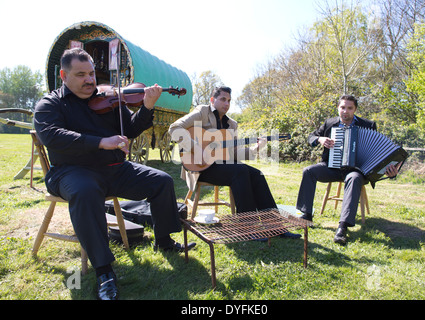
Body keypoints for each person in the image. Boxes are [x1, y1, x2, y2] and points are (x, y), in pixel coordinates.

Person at [33, 48, 195, 300]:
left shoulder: (108, 98)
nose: (89, 80)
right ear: (64, 75)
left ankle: (163, 239)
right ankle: (104, 271)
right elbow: (51, 135)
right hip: (71, 172)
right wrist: (101, 141)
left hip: (113, 170)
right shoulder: (50, 104)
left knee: (161, 181)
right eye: (81, 75)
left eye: (91, 74)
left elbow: (130, 128)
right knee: (85, 192)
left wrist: (147, 107)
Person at [168, 86, 300, 240]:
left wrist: (256, 148)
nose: (227, 103)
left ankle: (276, 226)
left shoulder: (232, 124)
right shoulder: (202, 112)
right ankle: (248, 229)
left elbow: (234, 153)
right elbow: (175, 128)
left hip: (224, 166)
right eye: (223, 99)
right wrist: (197, 149)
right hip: (201, 167)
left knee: (256, 174)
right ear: (213, 100)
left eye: (229, 100)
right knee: (240, 171)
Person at [296, 95, 399, 245]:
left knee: (353, 178)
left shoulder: (368, 125)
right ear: (338, 108)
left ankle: (342, 227)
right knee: (308, 171)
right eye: (342, 107)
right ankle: (306, 215)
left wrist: (390, 172)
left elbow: (379, 153)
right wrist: (320, 139)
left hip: (357, 170)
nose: (345, 111)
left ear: (355, 109)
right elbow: (311, 136)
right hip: (332, 167)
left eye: (349, 108)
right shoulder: (330, 123)